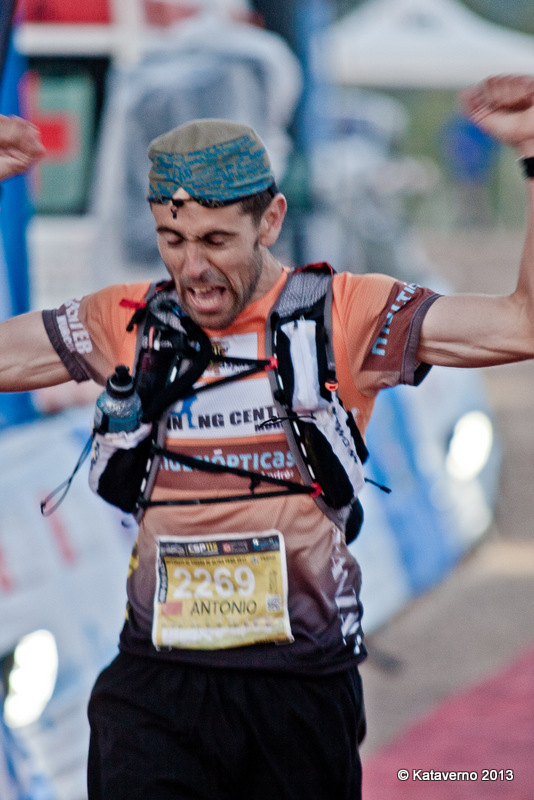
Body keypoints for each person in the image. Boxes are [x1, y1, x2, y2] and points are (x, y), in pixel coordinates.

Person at [1, 75, 534, 800]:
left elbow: (519, 326)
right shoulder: (126, 318)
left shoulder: (344, 312)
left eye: (217, 241)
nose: (193, 268)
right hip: (156, 690)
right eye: (172, 240)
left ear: (271, 220)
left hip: (297, 691)